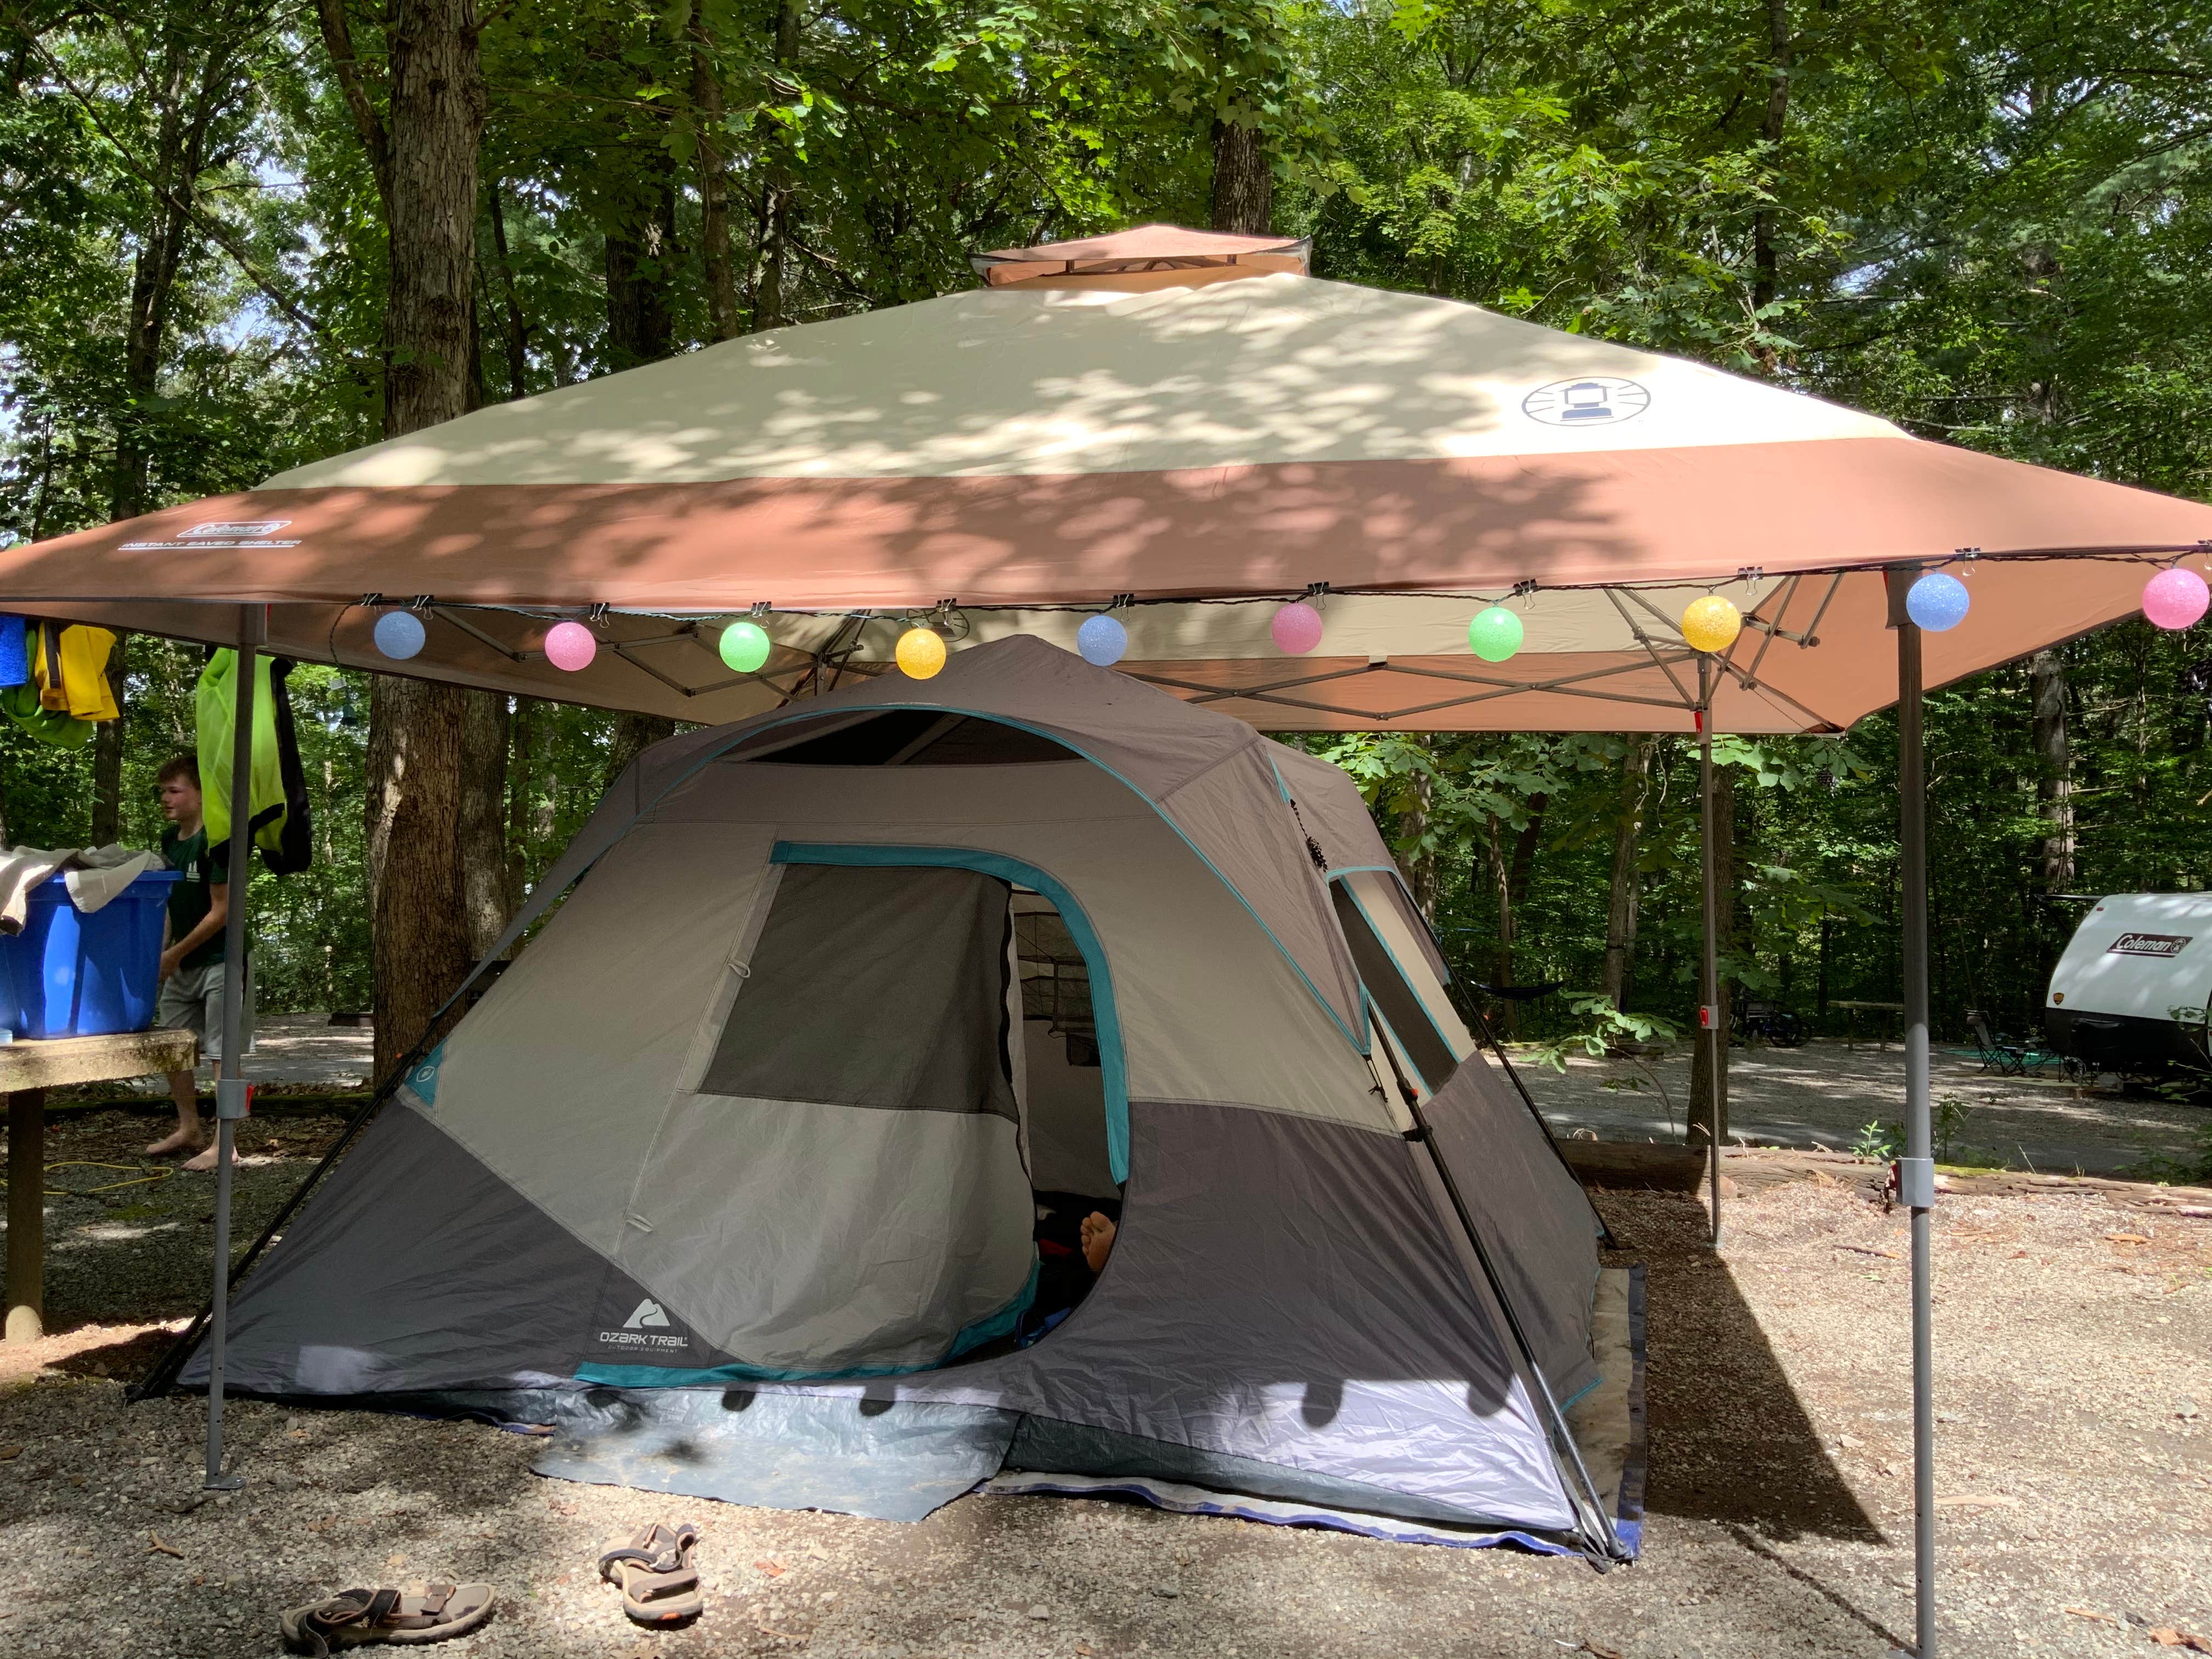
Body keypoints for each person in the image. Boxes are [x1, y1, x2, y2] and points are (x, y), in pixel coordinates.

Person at [142, 755, 252, 1171]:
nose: (166, 799)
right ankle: (189, 1127)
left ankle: (227, 1144)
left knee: (224, 1052)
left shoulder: (216, 841)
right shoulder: (171, 840)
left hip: (222, 961)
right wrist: (161, 955)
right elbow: (171, 904)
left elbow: (222, 911)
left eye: (174, 791)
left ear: (200, 794)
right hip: (182, 962)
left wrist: (175, 953)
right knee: (173, 1048)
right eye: (163, 792)